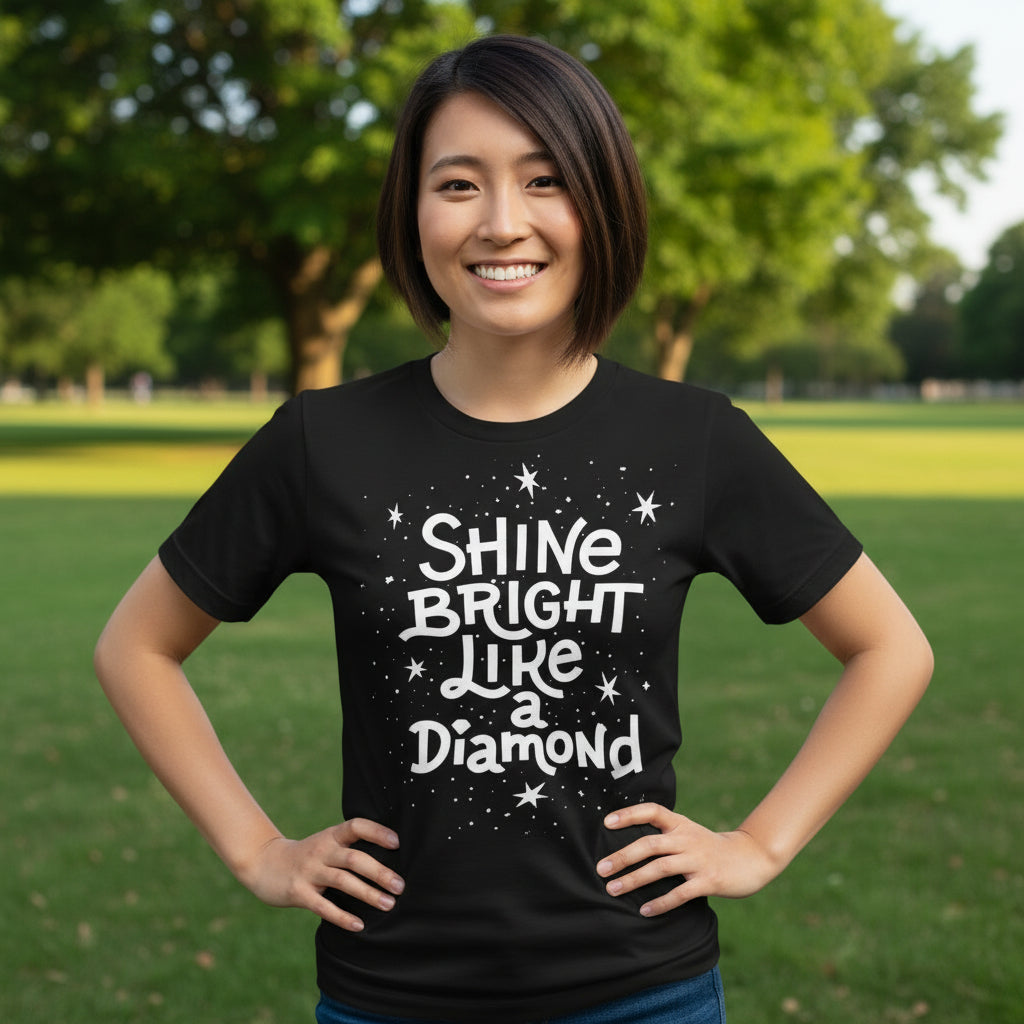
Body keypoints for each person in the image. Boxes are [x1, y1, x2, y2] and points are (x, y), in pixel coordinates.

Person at [94, 35, 933, 1024]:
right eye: (457, 184)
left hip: (641, 991)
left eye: (545, 180)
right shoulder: (323, 442)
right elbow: (137, 645)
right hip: (392, 996)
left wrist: (758, 843)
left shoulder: (692, 440)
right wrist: (256, 848)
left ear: (601, 202)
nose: (501, 223)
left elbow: (889, 647)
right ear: (411, 212)